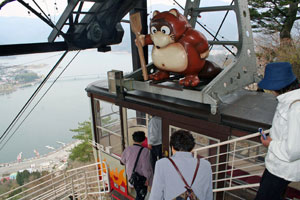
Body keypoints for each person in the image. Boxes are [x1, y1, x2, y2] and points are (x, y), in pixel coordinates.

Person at [255, 62, 300, 200]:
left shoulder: (295, 108)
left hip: (282, 169)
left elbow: (293, 150)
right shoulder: (289, 101)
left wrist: (270, 144)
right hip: (277, 166)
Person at [149, 129, 213, 200]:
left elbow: (156, 196)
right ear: (192, 148)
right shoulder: (206, 165)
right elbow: (209, 195)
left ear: (172, 147)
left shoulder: (162, 164)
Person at [121, 131, 153, 200]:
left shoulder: (128, 149)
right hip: (140, 179)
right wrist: (147, 179)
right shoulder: (145, 151)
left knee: (138, 194)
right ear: (144, 139)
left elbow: (122, 162)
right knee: (140, 196)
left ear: (133, 139)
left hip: (131, 177)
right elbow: (145, 167)